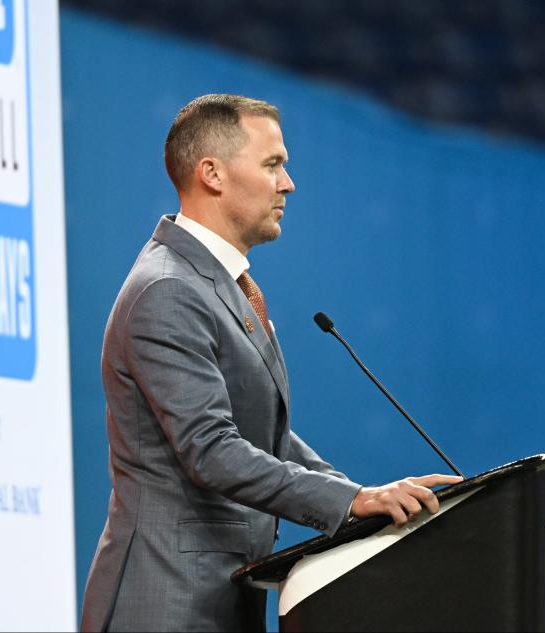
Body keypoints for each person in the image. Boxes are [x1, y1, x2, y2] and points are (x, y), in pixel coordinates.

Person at [80, 94, 462, 632]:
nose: (289, 183)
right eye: (273, 164)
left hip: (218, 596)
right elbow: (211, 449)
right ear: (212, 173)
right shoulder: (168, 289)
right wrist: (351, 500)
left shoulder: (215, 285)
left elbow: (261, 435)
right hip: (164, 601)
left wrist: (365, 505)